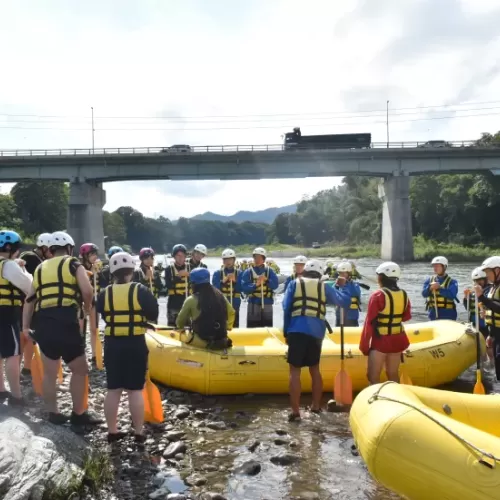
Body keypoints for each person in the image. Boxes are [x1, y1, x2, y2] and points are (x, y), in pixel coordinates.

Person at [22, 231, 101, 425]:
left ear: (51, 250)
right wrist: (87, 306)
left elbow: (29, 300)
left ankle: (53, 413)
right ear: (69, 248)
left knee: (49, 372)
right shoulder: (74, 264)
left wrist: (25, 327)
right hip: (66, 321)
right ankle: (79, 414)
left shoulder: (39, 268)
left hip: (43, 323)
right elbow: (87, 290)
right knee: (80, 369)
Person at [96, 252, 158, 443]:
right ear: (132, 271)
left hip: (113, 343)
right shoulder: (140, 290)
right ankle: (138, 432)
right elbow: (154, 314)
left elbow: (104, 315)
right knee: (135, 390)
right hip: (135, 343)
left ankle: (112, 431)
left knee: (113, 389)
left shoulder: (103, 293)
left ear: (112, 272)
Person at [283, 259, 350, 421]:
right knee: (314, 369)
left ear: (305, 270)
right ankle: (315, 406)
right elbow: (343, 302)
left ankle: (295, 411)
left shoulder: (294, 283)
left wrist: (286, 331)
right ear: (320, 273)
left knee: (294, 371)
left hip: (296, 330)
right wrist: (342, 286)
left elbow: (286, 307)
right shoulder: (325, 286)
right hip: (316, 332)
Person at [359, 262, 412, 385]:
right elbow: (406, 317)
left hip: (381, 342)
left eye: (378, 275)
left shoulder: (378, 295)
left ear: (382, 277)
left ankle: (375, 402)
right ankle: (394, 399)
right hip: (398, 340)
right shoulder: (404, 294)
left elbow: (369, 323)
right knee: (393, 374)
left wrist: (364, 346)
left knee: (373, 376)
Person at [0, 230, 33, 405]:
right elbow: (29, 286)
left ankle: (1, 390)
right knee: (13, 354)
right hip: (6, 313)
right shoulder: (8, 265)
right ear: (9, 248)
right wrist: (22, 268)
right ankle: (16, 396)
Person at [19, 232, 52, 376]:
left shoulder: (34, 258)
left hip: (29, 301)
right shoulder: (31, 258)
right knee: (27, 335)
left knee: (28, 336)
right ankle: (25, 365)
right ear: (44, 248)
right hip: (26, 302)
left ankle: (27, 367)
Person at [177, 268, 234, 349]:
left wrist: (180, 328)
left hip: (202, 342)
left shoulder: (191, 300)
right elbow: (232, 312)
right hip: (221, 341)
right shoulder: (220, 296)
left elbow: (180, 321)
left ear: (193, 284)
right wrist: (228, 327)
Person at [475, 256, 500, 381]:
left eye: (488, 272)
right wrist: (490, 334)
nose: (487, 276)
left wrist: (481, 297)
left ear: (497, 270)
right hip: (496, 332)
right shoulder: (494, 288)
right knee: (497, 364)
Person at [241, 247, 279, 328]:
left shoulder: (270, 271)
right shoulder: (248, 272)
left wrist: (267, 280)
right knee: (252, 327)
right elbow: (244, 288)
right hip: (253, 303)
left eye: (259, 257)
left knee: (267, 326)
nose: (257, 259)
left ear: (263, 259)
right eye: (255, 257)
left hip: (267, 303)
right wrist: (256, 285)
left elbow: (275, 285)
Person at [79, 242, 101, 363]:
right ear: (85, 255)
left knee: (94, 328)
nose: (94, 257)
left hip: (94, 301)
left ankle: (94, 354)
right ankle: (80, 354)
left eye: (95, 254)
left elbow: (102, 283)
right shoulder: (79, 268)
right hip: (81, 302)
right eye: (92, 254)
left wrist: (97, 272)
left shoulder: (97, 268)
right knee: (81, 330)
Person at [212, 248, 242, 327]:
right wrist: (223, 281)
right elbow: (214, 289)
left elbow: (242, 288)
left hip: (235, 303)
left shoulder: (239, 273)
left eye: (230, 259)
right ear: (223, 261)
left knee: (235, 324)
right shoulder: (217, 273)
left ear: (234, 260)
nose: (228, 262)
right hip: (221, 302)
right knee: (221, 324)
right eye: (226, 260)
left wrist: (235, 281)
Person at [422, 256, 458, 321]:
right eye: (434, 266)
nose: (435, 268)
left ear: (444, 267)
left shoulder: (452, 282)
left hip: (448, 314)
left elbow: (452, 295)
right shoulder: (429, 280)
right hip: (433, 313)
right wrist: (430, 288)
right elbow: (424, 294)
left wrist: (439, 288)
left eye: (437, 266)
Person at [164, 244, 190, 326]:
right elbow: (168, 285)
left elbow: (195, 284)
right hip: (174, 301)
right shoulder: (169, 269)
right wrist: (179, 276)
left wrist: (189, 276)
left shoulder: (190, 268)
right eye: (178, 255)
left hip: (187, 300)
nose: (180, 258)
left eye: (182, 255)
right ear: (174, 256)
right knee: (173, 325)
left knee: (188, 325)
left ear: (185, 256)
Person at [463, 267, 490, 338]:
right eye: (475, 280)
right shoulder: (472, 292)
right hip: (474, 323)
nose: (477, 282)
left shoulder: (490, 290)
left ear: (485, 279)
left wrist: (480, 295)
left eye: (479, 280)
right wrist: (466, 298)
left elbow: (490, 304)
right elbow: (468, 308)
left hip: (485, 324)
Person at [334, 261, 361, 327]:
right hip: (339, 318)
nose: (341, 275)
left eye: (344, 273)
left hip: (352, 318)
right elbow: (332, 295)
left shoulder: (355, 286)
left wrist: (345, 285)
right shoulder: (337, 285)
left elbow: (355, 294)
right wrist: (336, 285)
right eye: (340, 273)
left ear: (349, 274)